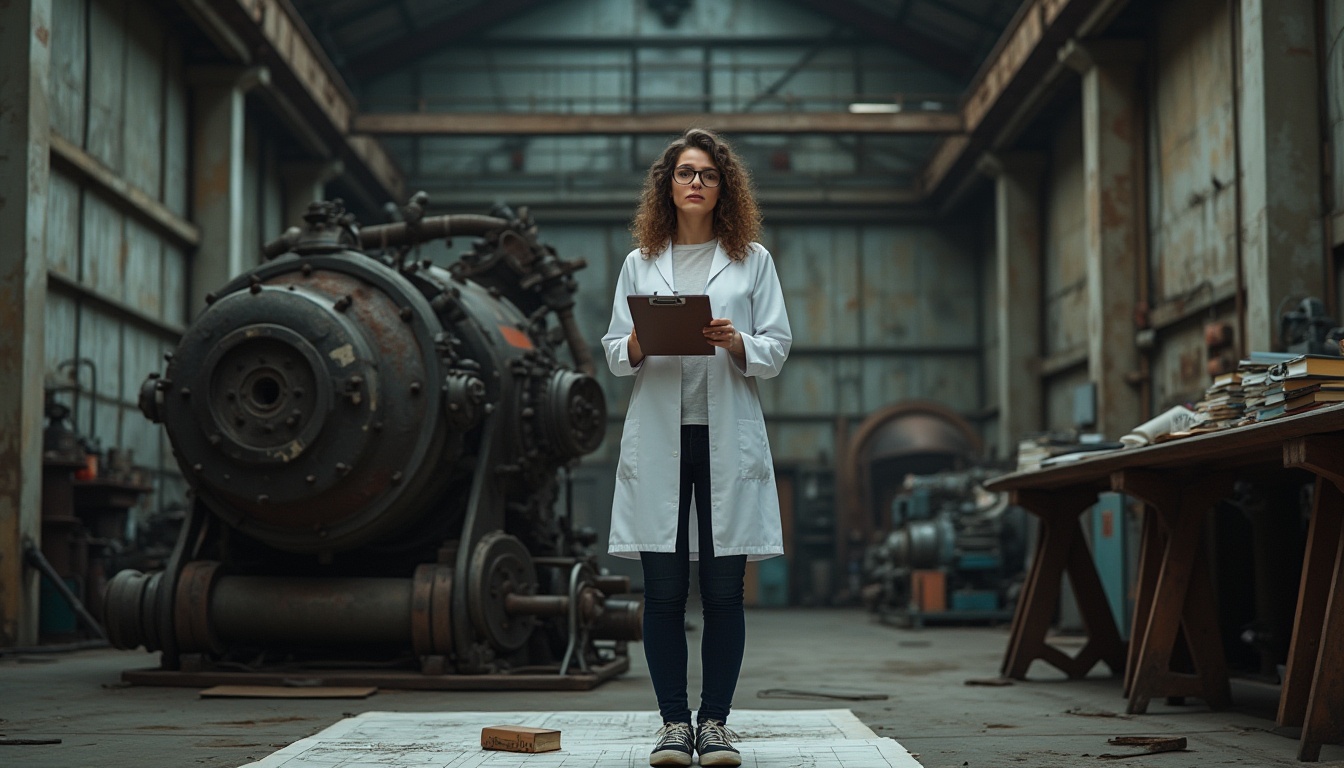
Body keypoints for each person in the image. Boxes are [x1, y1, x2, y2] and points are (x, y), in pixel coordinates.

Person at [602, 128, 792, 767]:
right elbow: (613, 352)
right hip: (661, 438)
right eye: (685, 173)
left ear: (723, 187)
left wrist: (736, 341)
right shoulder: (640, 261)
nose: (696, 183)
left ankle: (714, 723)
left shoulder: (752, 260)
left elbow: (777, 347)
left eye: (708, 175)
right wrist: (641, 343)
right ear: (667, 184)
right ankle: (672, 724)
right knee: (661, 592)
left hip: (724, 437)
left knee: (721, 593)